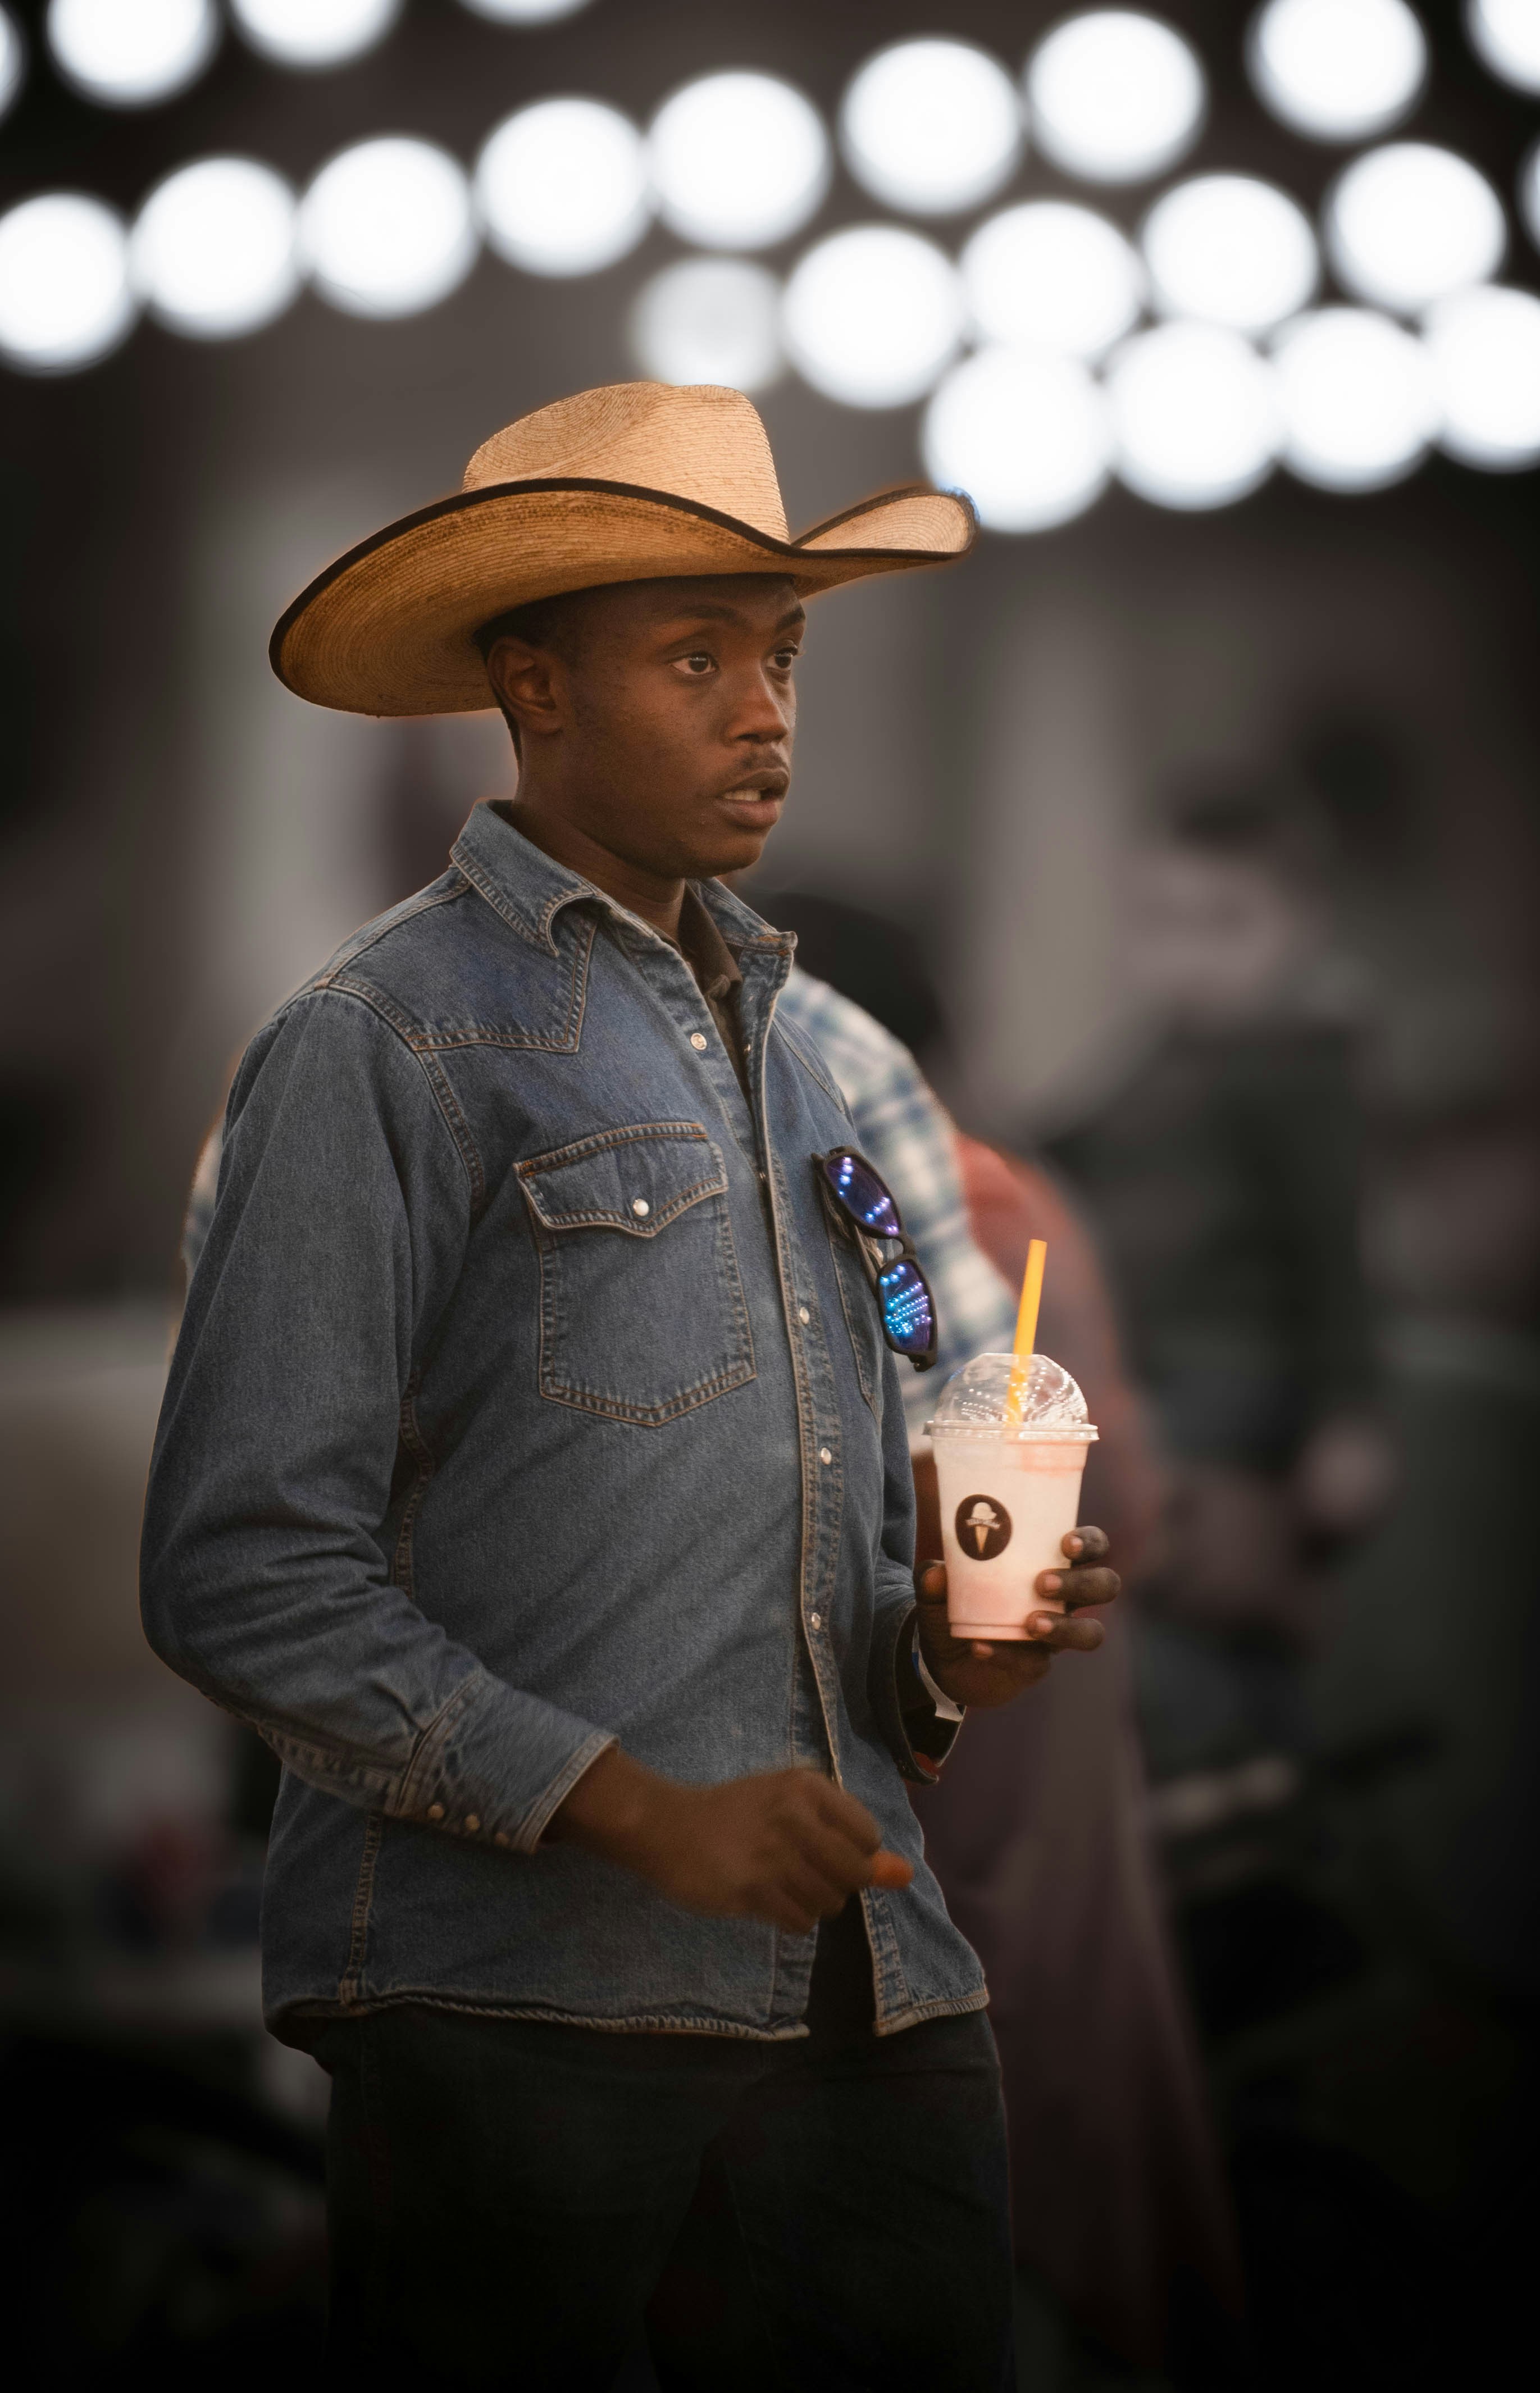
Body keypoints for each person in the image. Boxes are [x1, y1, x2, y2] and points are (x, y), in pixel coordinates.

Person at [140, 382, 1120, 2391]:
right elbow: (238, 1569)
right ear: (535, 688)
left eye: (781, 658)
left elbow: (832, 1553)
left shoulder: (814, 1066)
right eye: (695, 659)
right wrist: (633, 1812)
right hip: (522, 2018)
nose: (765, 716)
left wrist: (948, 1650)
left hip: (875, 1994)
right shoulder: (381, 1042)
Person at [778, 967, 1241, 2369]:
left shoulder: (914, 1234)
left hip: (946, 1841)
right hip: (1037, 1826)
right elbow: (1140, 1516)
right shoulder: (1026, 1204)